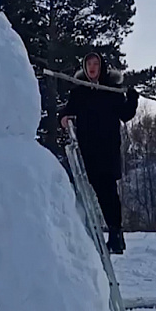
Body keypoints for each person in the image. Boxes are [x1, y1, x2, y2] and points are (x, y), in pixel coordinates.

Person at [59, 52, 139, 254]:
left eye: (96, 64)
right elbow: (68, 111)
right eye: (88, 64)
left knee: (108, 191)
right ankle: (84, 234)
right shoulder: (80, 92)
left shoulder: (111, 90)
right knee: (86, 189)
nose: (92, 67)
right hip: (87, 149)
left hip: (108, 148)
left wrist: (132, 98)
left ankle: (115, 234)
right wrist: (64, 118)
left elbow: (126, 114)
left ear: (102, 67)